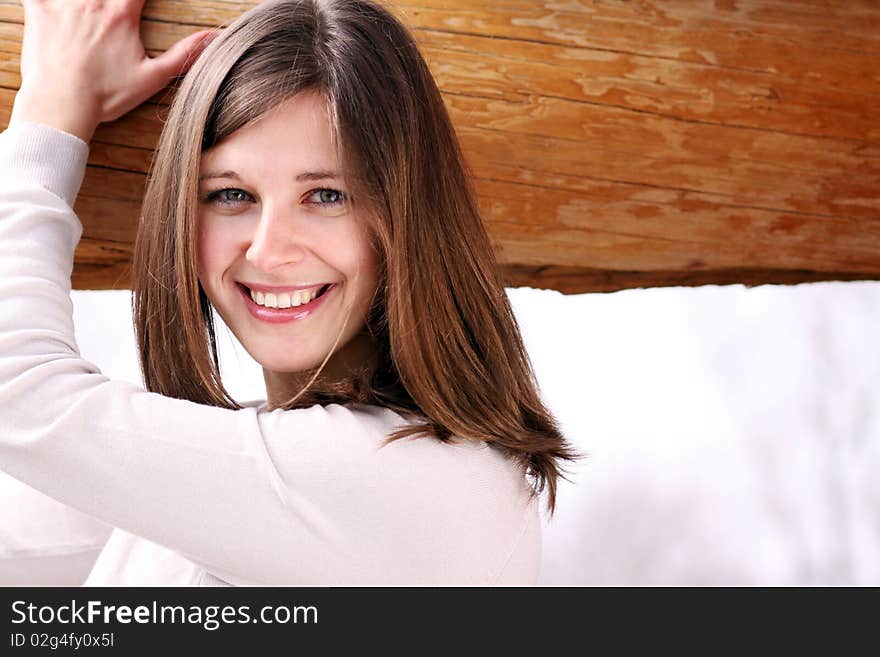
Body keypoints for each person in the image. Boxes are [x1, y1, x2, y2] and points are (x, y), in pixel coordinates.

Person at [0, 0, 576, 585]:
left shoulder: (412, 481)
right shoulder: (238, 479)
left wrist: (50, 112)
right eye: (230, 195)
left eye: (327, 195)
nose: (269, 251)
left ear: (408, 215)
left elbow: (14, 394)